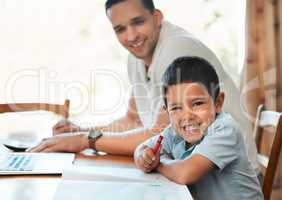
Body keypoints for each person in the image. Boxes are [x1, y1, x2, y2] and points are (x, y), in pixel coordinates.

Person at [28, 0, 259, 174]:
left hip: (225, 179)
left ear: (157, 17)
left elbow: (157, 132)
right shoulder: (136, 59)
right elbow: (132, 120)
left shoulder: (176, 47)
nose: (131, 36)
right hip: (192, 176)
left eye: (138, 22)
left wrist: (84, 140)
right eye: (120, 29)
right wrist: (81, 129)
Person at [134, 56, 263, 200]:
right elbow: (142, 148)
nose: (187, 116)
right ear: (167, 111)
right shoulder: (174, 131)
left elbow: (185, 173)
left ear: (218, 102)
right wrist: (143, 157)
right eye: (176, 108)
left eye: (197, 104)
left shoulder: (225, 129)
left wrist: (159, 163)